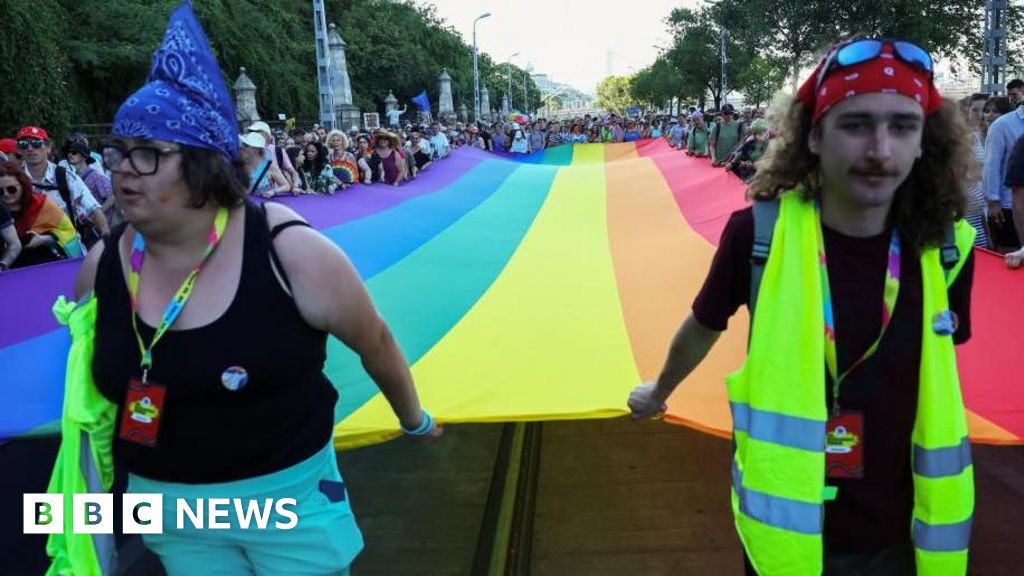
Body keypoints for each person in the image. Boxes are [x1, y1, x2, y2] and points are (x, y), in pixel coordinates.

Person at [65, 3, 440, 575]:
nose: (122, 170)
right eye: (118, 152)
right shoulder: (101, 270)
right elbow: (90, 399)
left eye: (149, 154)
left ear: (204, 164)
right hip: (170, 511)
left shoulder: (294, 254)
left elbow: (376, 343)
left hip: (288, 505)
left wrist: (414, 419)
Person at [629, 38, 975, 575]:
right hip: (788, 534)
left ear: (923, 142)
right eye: (856, 125)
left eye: (903, 126)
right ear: (814, 136)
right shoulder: (759, 235)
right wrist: (660, 390)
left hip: (907, 537)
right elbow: (704, 323)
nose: (880, 149)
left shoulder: (947, 246)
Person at [17, 126, 110, 246]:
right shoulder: (14, 180)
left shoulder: (65, 177)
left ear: (48, 147)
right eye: (24, 144)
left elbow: (92, 208)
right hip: (26, 246)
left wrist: (108, 243)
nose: (30, 148)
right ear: (19, 150)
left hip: (67, 246)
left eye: (36, 143)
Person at [0, 160, 82, 267]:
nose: (6, 194)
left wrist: (42, 240)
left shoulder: (43, 206)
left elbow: (69, 234)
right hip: (8, 270)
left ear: (22, 185)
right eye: (0, 191)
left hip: (45, 267)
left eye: (11, 189)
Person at [982, 88, 1024, 251]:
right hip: (1008, 205)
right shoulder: (1003, 125)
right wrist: (993, 201)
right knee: (1011, 253)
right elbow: (992, 164)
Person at [64, 139, 123, 229]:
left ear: (84, 157)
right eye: (68, 152)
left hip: (103, 228)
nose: (70, 155)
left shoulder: (95, 176)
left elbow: (113, 196)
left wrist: (98, 213)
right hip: (87, 228)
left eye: (74, 152)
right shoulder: (73, 178)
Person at [240, 132, 291, 197]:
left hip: (263, 201)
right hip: (244, 201)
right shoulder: (241, 164)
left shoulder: (268, 165)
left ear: (255, 149)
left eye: (246, 145)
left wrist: (273, 192)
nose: (242, 147)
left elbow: (286, 185)